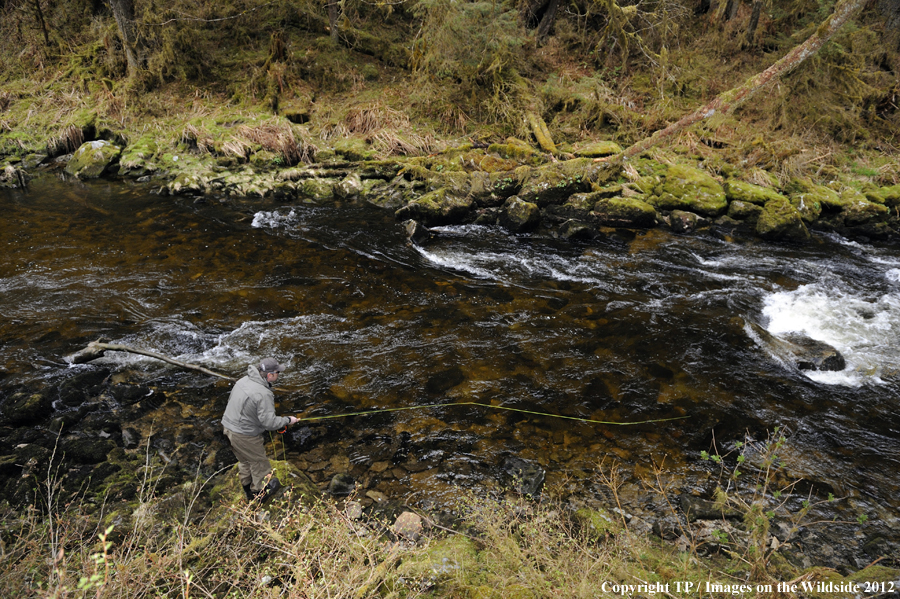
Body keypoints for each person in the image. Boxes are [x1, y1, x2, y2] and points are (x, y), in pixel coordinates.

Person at [222, 357, 298, 502]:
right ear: (270, 375)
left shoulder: (243, 380)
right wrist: (288, 420)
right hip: (244, 434)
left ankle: (247, 488)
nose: (278, 375)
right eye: (277, 372)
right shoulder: (263, 394)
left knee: (244, 460)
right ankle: (259, 494)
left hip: (227, 428)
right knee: (259, 462)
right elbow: (269, 423)